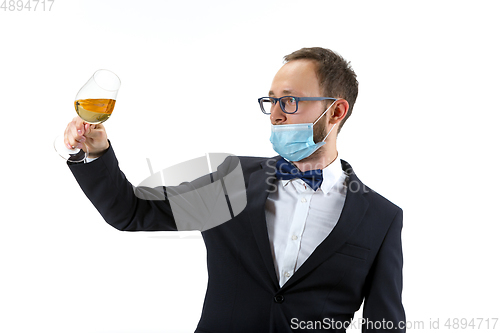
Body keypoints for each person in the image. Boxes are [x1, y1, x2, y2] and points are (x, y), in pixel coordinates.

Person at [64, 47, 405, 332]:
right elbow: (132, 212)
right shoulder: (234, 180)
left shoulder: (381, 217)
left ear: (336, 111)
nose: (275, 115)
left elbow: (383, 325)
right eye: (270, 102)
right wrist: (96, 153)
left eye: (289, 101)